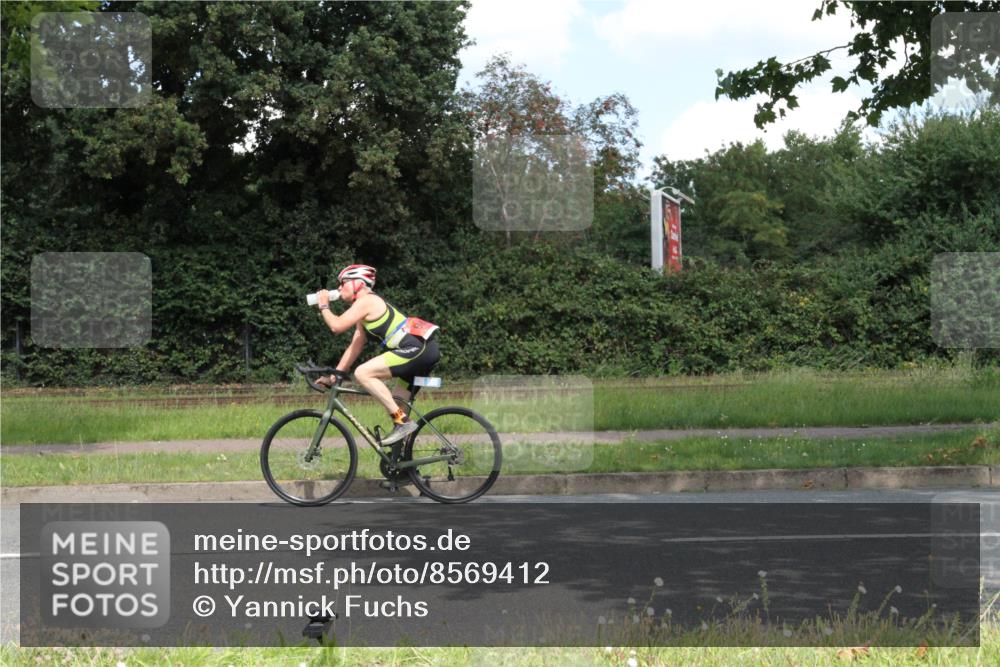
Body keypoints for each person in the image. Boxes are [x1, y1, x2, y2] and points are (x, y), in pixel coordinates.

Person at [313, 264, 440, 445]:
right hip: (421, 350)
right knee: (396, 404)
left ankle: (402, 423)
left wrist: (323, 304)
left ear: (357, 284)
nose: (340, 288)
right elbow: (355, 345)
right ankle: (405, 464)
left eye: (343, 283)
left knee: (363, 373)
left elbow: (337, 326)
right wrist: (334, 376)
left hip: (416, 349)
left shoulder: (367, 301)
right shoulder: (364, 309)